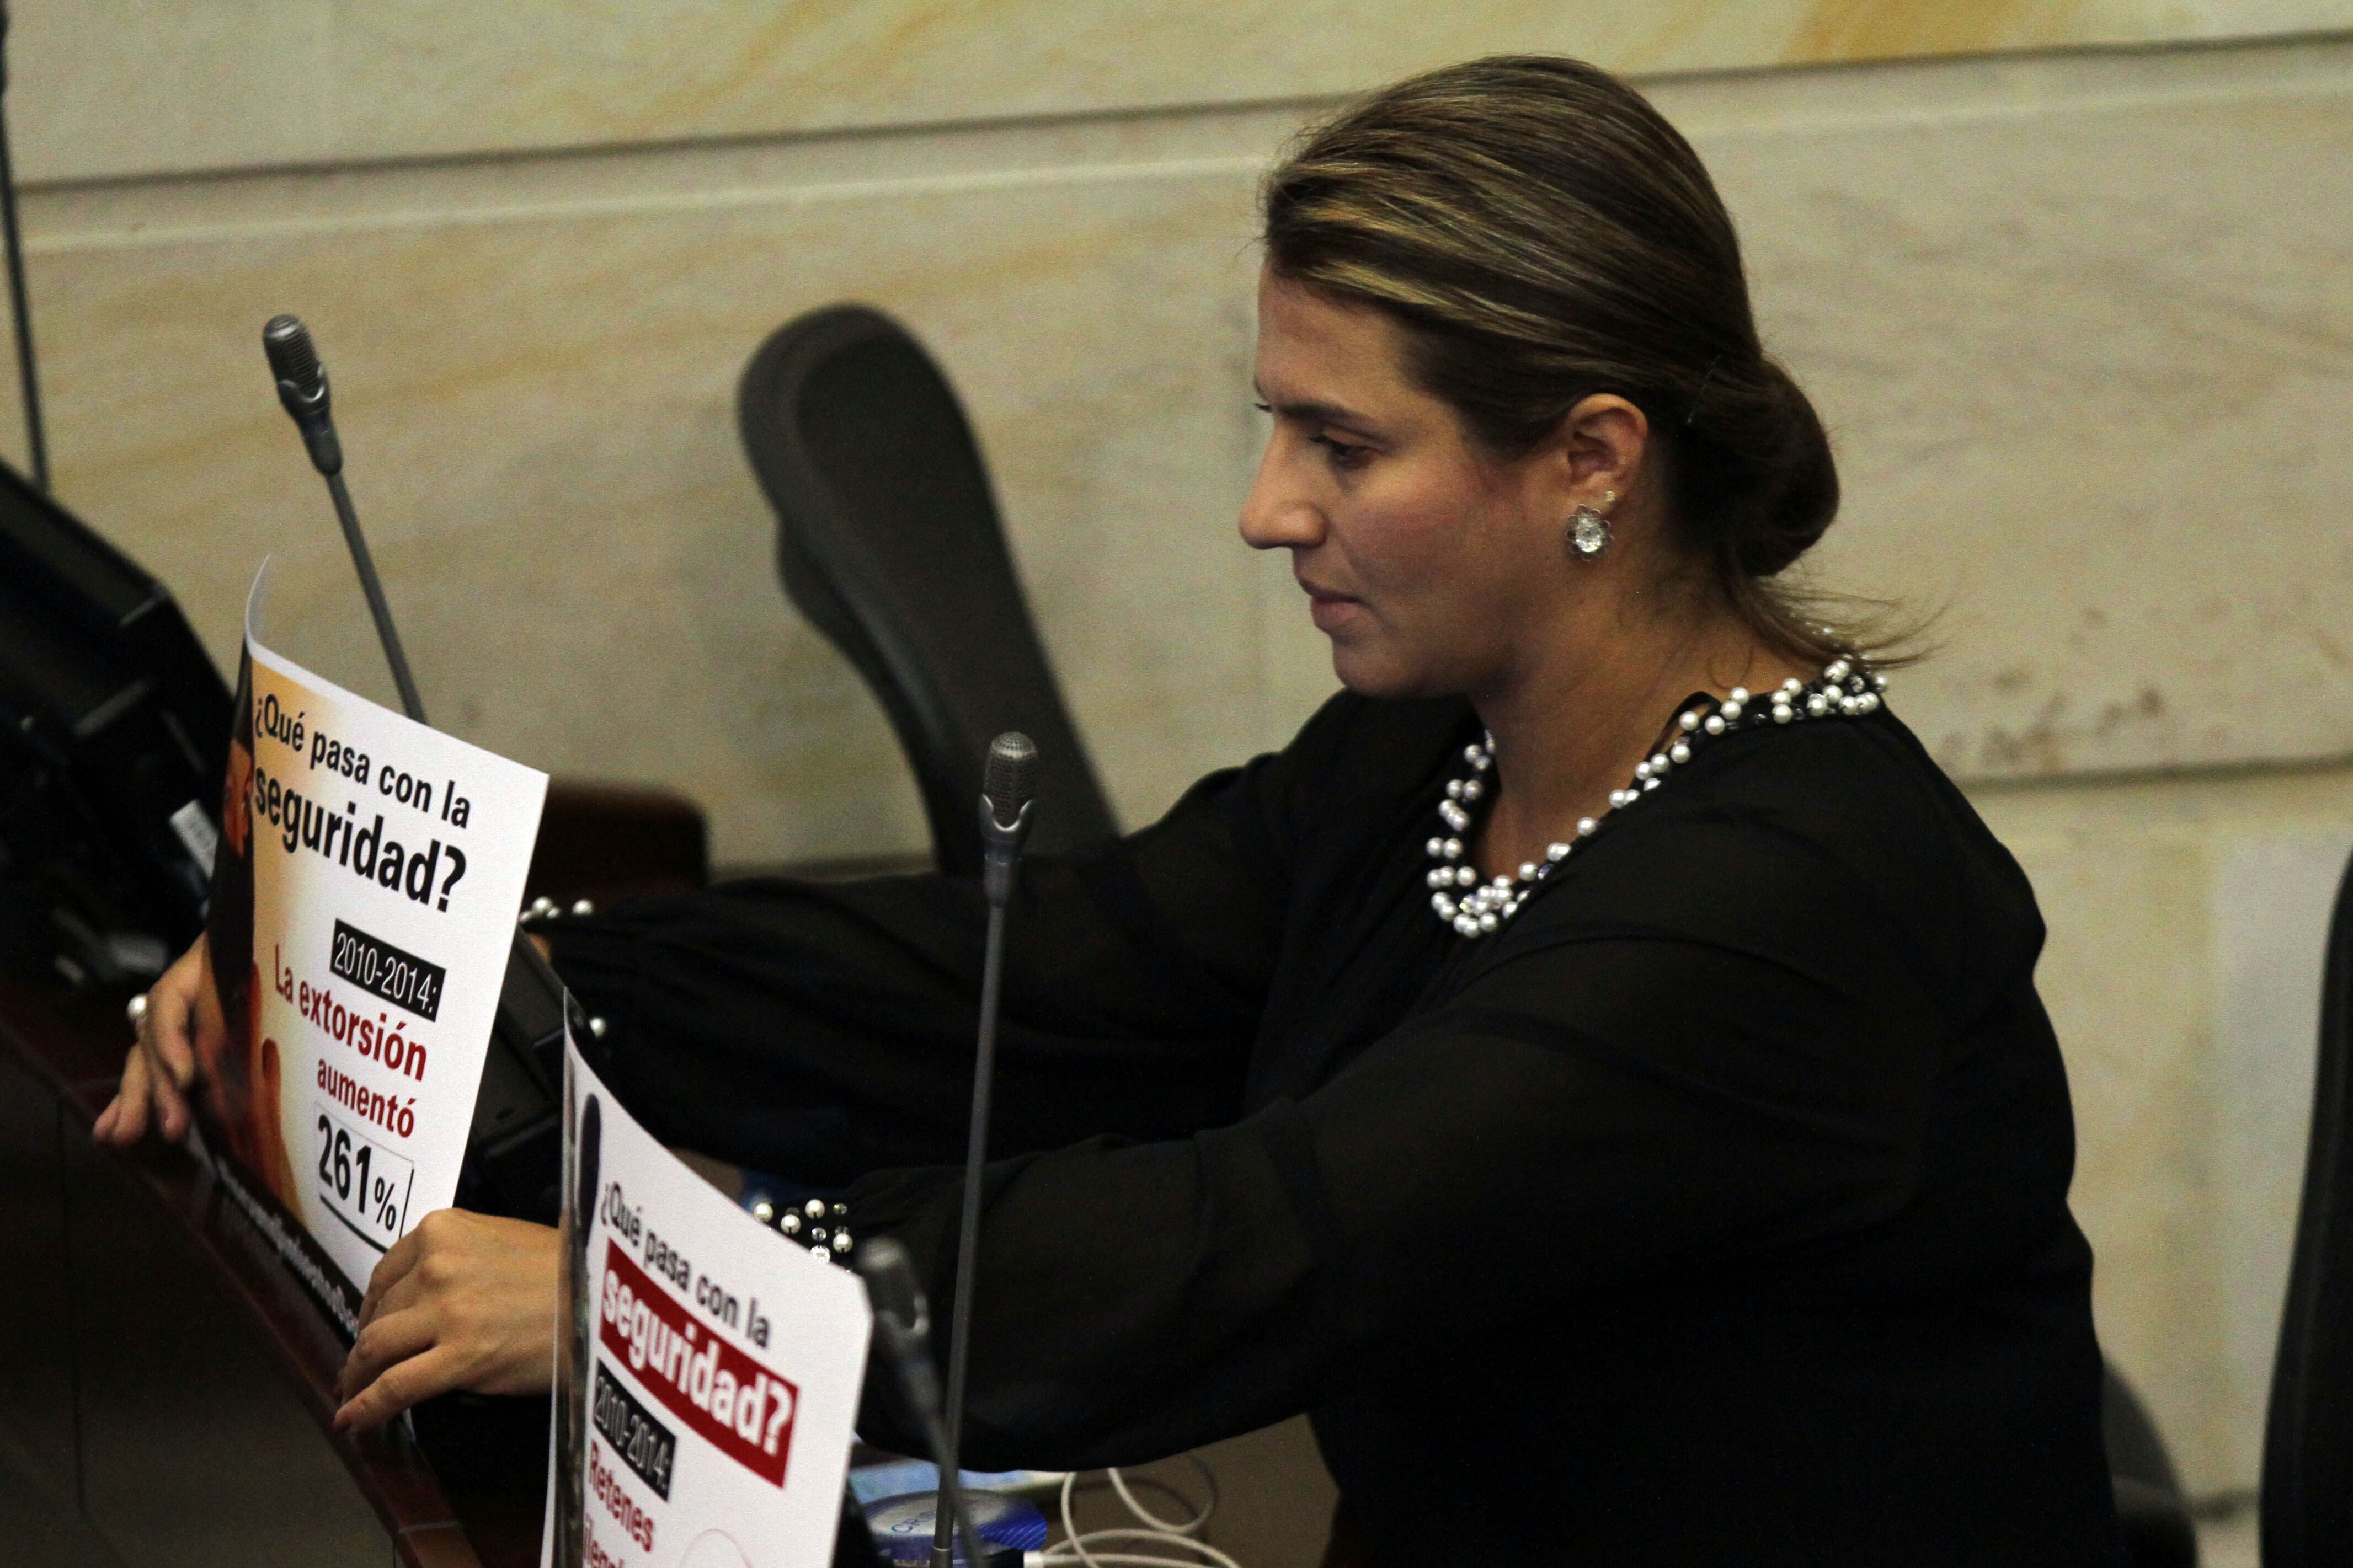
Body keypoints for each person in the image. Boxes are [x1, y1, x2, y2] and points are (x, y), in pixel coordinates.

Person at [99, 55, 2127, 1565]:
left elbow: (1265, 1238)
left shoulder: (1789, 905)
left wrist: (654, 1294)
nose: (1266, 508)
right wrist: (459, 972)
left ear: (1589, 458)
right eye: (1272, 425)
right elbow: (1037, 970)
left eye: (1342, 443)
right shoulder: (1437, 747)